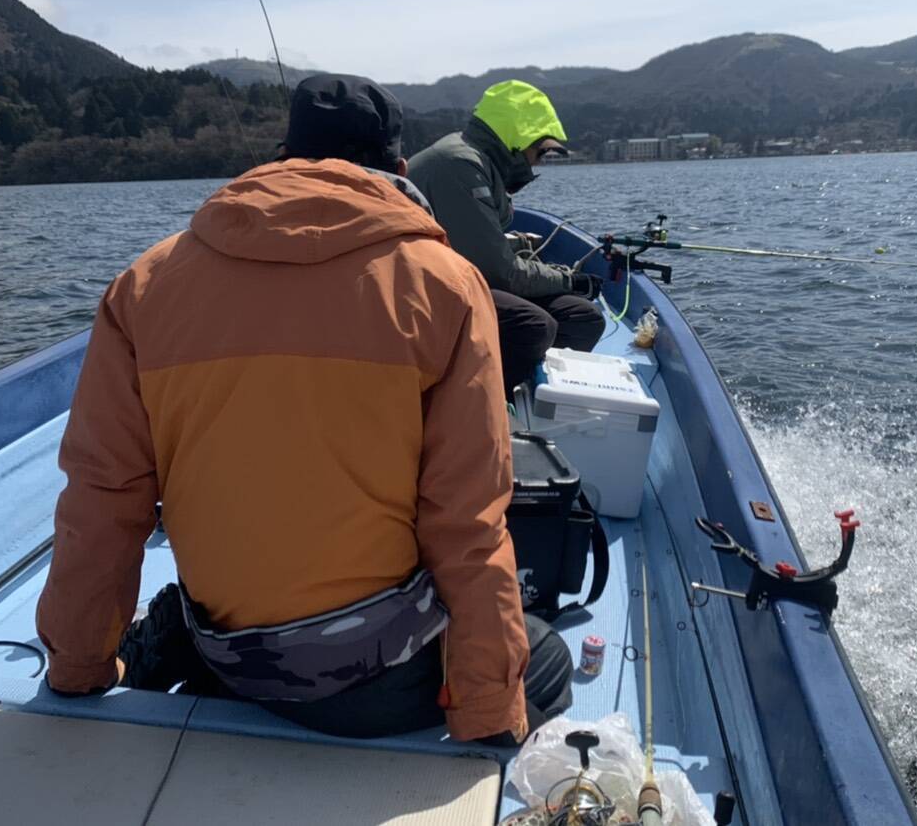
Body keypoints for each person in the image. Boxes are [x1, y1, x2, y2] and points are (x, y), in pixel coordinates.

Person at [35, 73, 571, 744]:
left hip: (223, 653)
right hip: (369, 685)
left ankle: (181, 647)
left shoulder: (143, 285)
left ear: (279, 158)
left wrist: (79, 666)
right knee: (547, 657)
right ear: (400, 172)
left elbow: (103, 501)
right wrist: (491, 711)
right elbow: (466, 523)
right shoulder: (450, 288)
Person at [408, 80, 605, 398]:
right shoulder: (459, 166)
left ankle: (522, 388)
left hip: (455, 276)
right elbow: (496, 271)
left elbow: (480, 247)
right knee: (532, 326)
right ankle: (470, 407)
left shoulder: (479, 162)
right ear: (514, 140)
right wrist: (571, 280)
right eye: (539, 150)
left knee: (583, 318)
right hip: (424, 288)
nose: (539, 162)